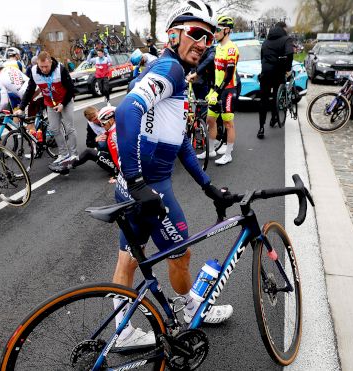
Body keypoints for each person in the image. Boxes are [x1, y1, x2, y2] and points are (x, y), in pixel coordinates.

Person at [111, 0, 235, 349]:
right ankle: (191, 307)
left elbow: (179, 143)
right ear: (173, 34)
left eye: (209, 38)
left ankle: (120, 332)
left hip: (133, 185)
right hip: (149, 187)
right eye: (196, 33)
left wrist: (208, 187)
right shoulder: (172, 70)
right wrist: (138, 182)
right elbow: (125, 113)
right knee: (181, 255)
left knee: (129, 259)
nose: (202, 43)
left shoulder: (166, 69)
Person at [17, 51, 79, 172]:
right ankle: (63, 154)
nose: (44, 69)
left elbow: (71, 89)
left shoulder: (60, 69)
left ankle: (74, 154)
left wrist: (62, 104)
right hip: (50, 103)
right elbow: (30, 90)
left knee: (69, 127)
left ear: (51, 62)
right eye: (41, 67)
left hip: (65, 101)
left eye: (46, 66)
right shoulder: (34, 71)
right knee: (54, 128)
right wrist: (21, 107)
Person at [196, 15, 239, 165]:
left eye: (218, 30)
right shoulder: (218, 47)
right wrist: (212, 89)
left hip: (228, 89)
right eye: (214, 30)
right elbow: (215, 73)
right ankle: (212, 150)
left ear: (227, 30)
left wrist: (218, 92)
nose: (215, 33)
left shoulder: (231, 49)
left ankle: (228, 154)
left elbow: (228, 75)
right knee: (210, 120)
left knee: (228, 123)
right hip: (217, 89)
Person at [54, 106, 119, 181]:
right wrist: (96, 139)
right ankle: (66, 165)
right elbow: (89, 142)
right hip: (119, 162)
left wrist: (116, 175)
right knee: (92, 149)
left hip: (118, 167)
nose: (102, 125)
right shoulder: (113, 129)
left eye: (103, 124)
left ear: (111, 120)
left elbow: (118, 155)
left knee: (91, 151)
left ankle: (65, 166)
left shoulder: (113, 135)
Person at [257, 21, 293, 139]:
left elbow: (262, 57)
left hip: (266, 72)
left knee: (264, 99)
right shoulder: (286, 39)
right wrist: (287, 69)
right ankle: (274, 118)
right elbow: (290, 53)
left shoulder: (266, 41)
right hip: (279, 72)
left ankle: (261, 128)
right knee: (277, 96)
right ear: (283, 28)